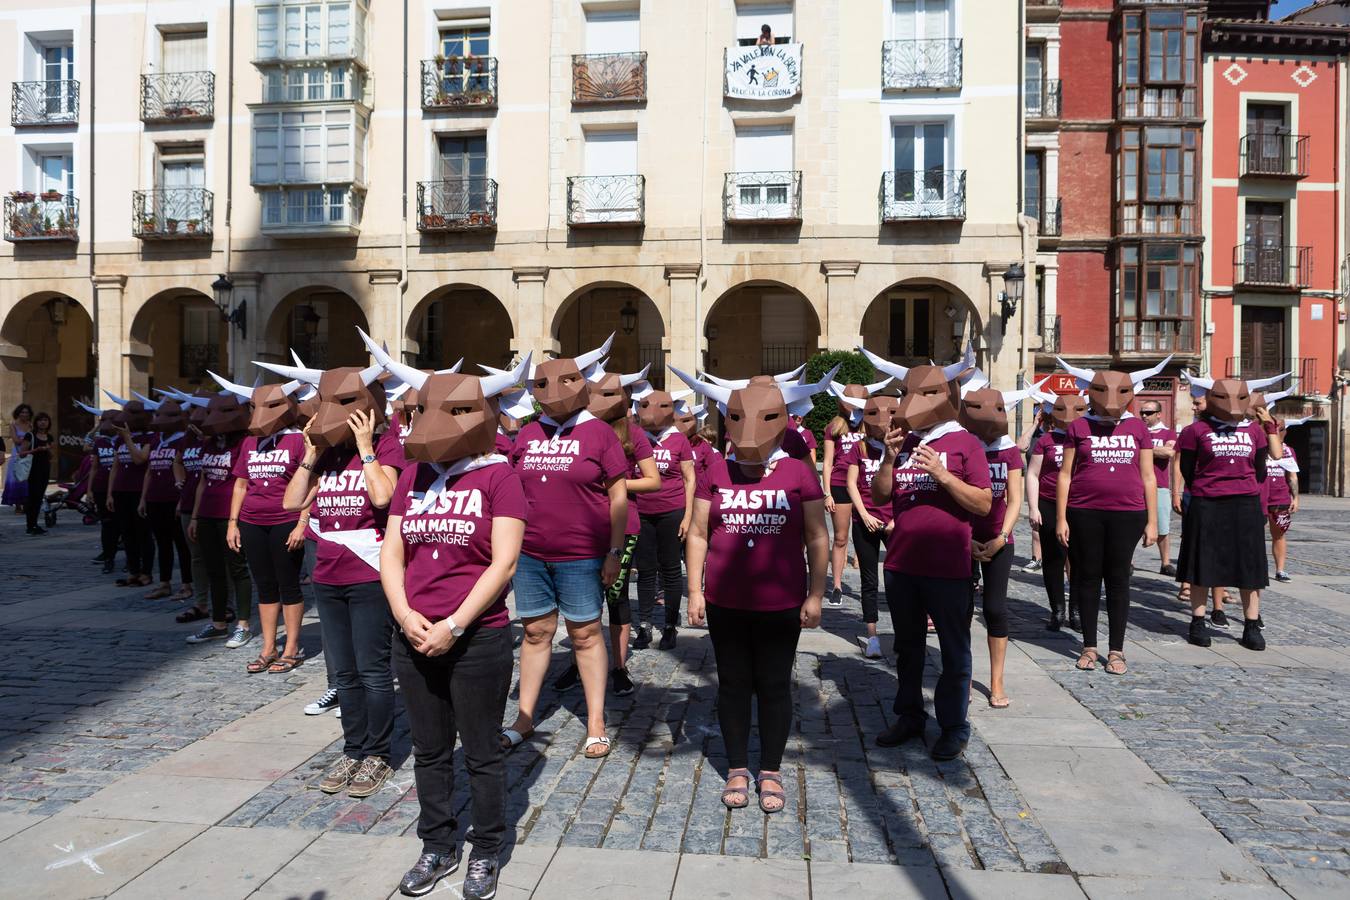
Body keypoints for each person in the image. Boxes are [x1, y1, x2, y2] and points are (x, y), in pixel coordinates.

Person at [372, 352, 533, 900]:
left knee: (483, 750)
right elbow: (392, 551)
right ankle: (436, 844)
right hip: (412, 634)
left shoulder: (499, 477)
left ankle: (487, 849)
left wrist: (456, 624)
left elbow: (503, 563)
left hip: (476, 638)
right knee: (430, 748)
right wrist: (403, 614)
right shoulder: (412, 476)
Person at [674, 365, 831, 813]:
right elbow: (701, 532)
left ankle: (771, 770)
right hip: (727, 600)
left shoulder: (800, 474)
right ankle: (738, 766)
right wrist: (696, 590)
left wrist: (816, 594)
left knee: (776, 685)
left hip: (781, 601)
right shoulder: (717, 471)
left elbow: (817, 535)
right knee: (733, 685)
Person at [276, 352, 406, 800]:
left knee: (372, 670)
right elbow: (292, 503)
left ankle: (378, 755)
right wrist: (311, 455)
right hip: (328, 574)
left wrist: (367, 447)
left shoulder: (389, 446)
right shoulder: (327, 455)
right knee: (342, 673)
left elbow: (384, 496)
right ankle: (353, 750)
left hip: (369, 573)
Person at [861, 346, 991, 761]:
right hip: (901, 564)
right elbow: (881, 494)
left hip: (948, 567)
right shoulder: (905, 441)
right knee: (908, 647)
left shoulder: (965, 443)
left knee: (954, 650)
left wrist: (942, 474)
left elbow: (983, 503)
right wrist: (889, 457)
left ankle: (954, 726)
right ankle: (910, 715)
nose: (907, 403)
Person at [502, 338, 628, 760]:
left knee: (585, 633)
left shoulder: (599, 434)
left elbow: (618, 497)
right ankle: (523, 717)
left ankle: (595, 721)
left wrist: (614, 551)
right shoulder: (528, 433)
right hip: (532, 554)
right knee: (536, 632)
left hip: (582, 554)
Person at [1054, 357, 1165, 676]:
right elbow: (1065, 474)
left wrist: (1152, 520)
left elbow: (1148, 476)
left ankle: (1116, 650)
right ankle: (1089, 646)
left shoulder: (1137, 427)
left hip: (1128, 514)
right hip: (1084, 511)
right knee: (1086, 578)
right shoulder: (1079, 426)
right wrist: (1061, 517)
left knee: (1118, 580)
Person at [212, 371, 313, 669]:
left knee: (289, 584)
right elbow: (241, 484)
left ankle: (291, 647)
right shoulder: (249, 443)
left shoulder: (298, 442)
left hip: (285, 519)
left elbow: (310, 483)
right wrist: (233, 523)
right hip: (252, 521)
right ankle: (269, 646)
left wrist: (302, 523)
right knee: (265, 586)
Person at [1175, 373, 1282, 651]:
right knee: (1202, 562)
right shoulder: (1194, 431)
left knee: (1249, 564)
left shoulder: (1254, 431)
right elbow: (1188, 468)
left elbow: (1260, 469)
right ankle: (1198, 620)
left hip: (1244, 503)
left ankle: (1251, 624)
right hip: (1207, 502)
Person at [958, 376, 1038, 709]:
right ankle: (960, 677)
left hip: (998, 538)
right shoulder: (962, 445)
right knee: (960, 611)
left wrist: (1002, 537)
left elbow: (1015, 498)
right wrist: (966, 539)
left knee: (995, 608)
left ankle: (996, 681)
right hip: (963, 537)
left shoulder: (1007, 451)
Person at [185, 392, 252, 644]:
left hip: (230, 515)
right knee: (214, 571)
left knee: (237, 569)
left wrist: (234, 521)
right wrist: (194, 517)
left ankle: (243, 624)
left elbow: (243, 483)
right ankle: (218, 622)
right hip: (207, 514)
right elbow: (203, 481)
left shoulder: (244, 442)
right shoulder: (210, 443)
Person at [634, 389, 695, 650]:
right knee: (646, 570)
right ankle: (645, 626)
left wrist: (688, 516)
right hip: (642, 512)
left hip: (672, 511)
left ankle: (669, 626)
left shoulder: (679, 440)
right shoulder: (637, 438)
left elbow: (689, 479)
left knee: (670, 570)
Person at [841, 393, 898, 659]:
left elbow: (906, 484)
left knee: (898, 579)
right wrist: (863, 514)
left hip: (893, 522)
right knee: (869, 580)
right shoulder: (859, 448)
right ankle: (872, 635)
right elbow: (851, 483)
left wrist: (896, 519)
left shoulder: (901, 446)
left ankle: (903, 632)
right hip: (865, 518)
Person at [1026, 393, 1085, 631]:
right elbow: (1032, 474)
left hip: (1080, 505)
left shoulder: (1086, 439)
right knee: (1053, 558)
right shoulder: (1046, 441)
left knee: (1079, 559)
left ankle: (1077, 610)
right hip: (1049, 502)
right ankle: (1057, 610)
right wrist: (1033, 507)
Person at [138, 395, 193, 600]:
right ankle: (164, 583)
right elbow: (149, 471)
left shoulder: (183, 440)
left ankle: (187, 584)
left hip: (174, 498)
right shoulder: (154, 441)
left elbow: (187, 470)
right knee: (162, 543)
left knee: (181, 544)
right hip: (155, 498)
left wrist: (182, 499)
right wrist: (143, 498)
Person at [821, 383, 871, 606]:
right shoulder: (834, 426)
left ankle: (868, 587)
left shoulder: (869, 425)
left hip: (864, 486)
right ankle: (838, 586)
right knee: (840, 538)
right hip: (840, 486)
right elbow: (828, 462)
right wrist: (827, 492)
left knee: (866, 538)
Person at [105, 395, 155, 588]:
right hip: (121, 490)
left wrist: (128, 439)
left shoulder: (149, 437)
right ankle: (133, 571)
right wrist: (110, 493)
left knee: (143, 534)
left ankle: (146, 572)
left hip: (139, 491)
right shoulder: (119, 440)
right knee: (127, 534)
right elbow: (115, 467)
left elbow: (140, 459)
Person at [1266, 417, 1304, 583]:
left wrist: (1295, 497)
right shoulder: (1260, 448)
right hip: (1259, 497)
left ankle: (1280, 570)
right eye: (1275, 430)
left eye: (1280, 430)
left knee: (1279, 534)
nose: (1277, 433)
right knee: (1252, 535)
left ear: (1285, 432)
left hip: (1280, 497)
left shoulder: (1289, 451)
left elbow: (1292, 475)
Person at [1141, 401, 1177, 576]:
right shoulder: (1138, 431)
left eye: (1148, 413)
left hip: (1159, 485)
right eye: (1142, 412)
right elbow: (1161, 451)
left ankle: (1165, 563)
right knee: (1131, 523)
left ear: (1159, 414)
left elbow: (1169, 452)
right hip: (1136, 483)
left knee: (1162, 526)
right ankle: (1129, 562)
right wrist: (1156, 450)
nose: (1144, 416)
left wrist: (1143, 449)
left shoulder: (1168, 432)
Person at [20, 411, 54, 535]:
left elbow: (51, 456)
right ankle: (30, 525)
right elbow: (22, 453)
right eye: (40, 420)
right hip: (33, 469)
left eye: (45, 420)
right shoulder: (30, 435)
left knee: (39, 498)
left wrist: (49, 450)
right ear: (36, 422)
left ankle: (34, 524)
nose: (43, 422)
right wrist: (36, 450)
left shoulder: (49, 437)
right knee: (33, 497)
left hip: (45, 469)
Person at [4, 403, 33, 512]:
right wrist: (26, 439)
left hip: (29, 453)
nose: (24, 414)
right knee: (16, 477)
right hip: (17, 453)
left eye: (26, 412)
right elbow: (15, 440)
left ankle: (26, 503)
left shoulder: (31, 425)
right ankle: (17, 505)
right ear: (18, 413)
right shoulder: (13, 425)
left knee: (27, 477)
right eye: (22, 412)